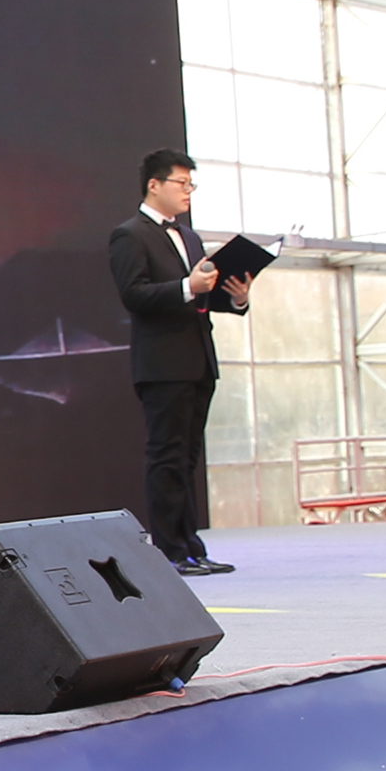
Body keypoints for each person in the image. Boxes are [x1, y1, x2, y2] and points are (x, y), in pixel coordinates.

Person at [108, 148, 250, 577]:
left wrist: (235, 298)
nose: (188, 192)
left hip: (198, 358)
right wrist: (189, 285)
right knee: (167, 456)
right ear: (154, 185)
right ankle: (170, 550)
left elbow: (199, 294)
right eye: (181, 183)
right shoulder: (129, 235)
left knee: (188, 457)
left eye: (191, 185)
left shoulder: (189, 237)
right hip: (162, 362)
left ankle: (192, 546)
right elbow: (134, 295)